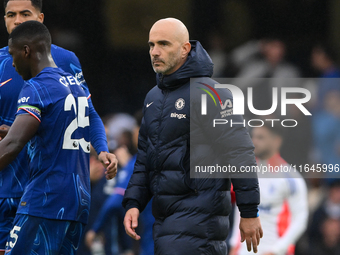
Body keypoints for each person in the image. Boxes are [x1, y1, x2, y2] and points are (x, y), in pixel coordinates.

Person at [122, 18, 263, 255]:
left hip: (200, 220)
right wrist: (134, 202)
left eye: (164, 44)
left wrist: (249, 212)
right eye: (151, 45)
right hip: (165, 221)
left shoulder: (212, 94)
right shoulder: (152, 98)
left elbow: (239, 153)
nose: (155, 52)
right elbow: (145, 159)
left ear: (185, 48)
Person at [0, 1, 117, 254]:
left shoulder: (41, 81)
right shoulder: (70, 82)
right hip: (70, 196)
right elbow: (60, 119)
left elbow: (13, 143)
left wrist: (101, 147)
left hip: (41, 195)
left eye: (25, 14)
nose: (18, 20)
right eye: (11, 15)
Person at [229, 124, 308, 255]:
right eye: (253, 137)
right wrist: (233, 247)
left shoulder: (291, 178)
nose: (254, 142)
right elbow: (240, 212)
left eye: (260, 137)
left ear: (276, 141)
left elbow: (300, 220)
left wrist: (276, 251)